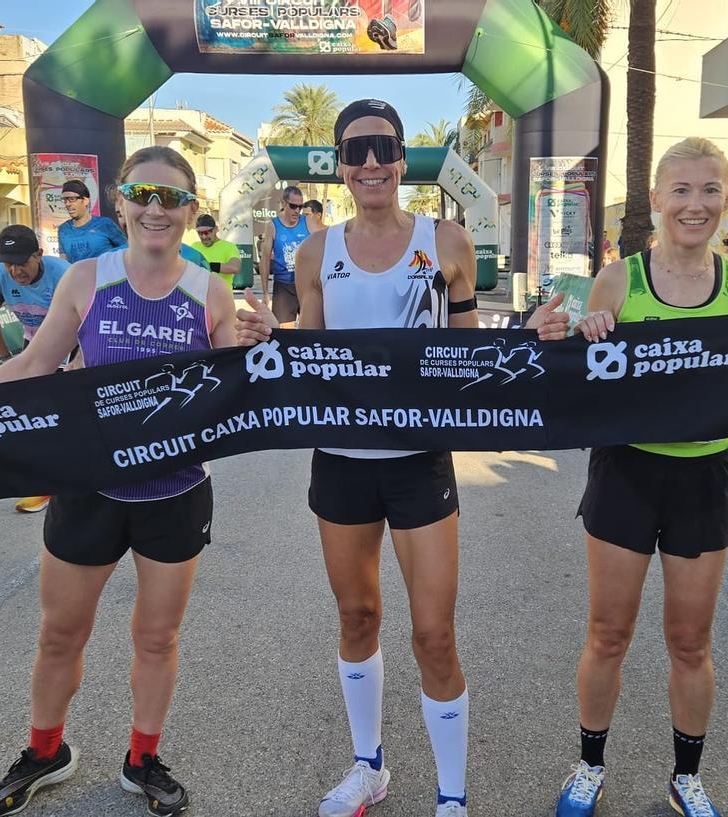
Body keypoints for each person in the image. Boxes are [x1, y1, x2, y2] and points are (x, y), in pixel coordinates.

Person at [0, 146, 236, 816]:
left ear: (192, 209)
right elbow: (34, 363)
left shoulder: (210, 292)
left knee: (157, 637)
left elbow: (237, 391)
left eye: (171, 198)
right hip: (89, 486)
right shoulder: (87, 278)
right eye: (143, 194)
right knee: (60, 633)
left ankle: (143, 758)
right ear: (120, 203)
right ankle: (46, 748)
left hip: (175, 492)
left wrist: (255, 343)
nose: (155, 209)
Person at [526, 137, 728, 817]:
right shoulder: (621, 278)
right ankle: (589, 766)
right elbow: (579, 355)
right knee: (608, 634)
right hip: (626, 470)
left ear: (726, 200)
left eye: (710, 191)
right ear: (656, 200)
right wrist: (581, 326)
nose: (695, 204)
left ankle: (687, 777)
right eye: (681, 190)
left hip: (705, 475)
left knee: (690, 641)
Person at [237, 98, 480, 817]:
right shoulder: (317, 252)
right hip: (340, 460)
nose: (370, 162)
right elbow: (307, 352)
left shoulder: (448, 241)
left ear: (404, 158)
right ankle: (369, 767)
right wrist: (267, 336)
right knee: (357, 616)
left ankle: (452, 796)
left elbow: (469, 355)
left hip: (419, 459)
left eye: (383, 147)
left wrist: (536, 338)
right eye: (355, 151)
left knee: (434, 633)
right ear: (339, 166)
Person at [0, 225, 71, 515]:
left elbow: (86, 321)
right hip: (35, 348)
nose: (15, 271)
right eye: (9, 264)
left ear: (38, 255)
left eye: (21, 263)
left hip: (74, 347)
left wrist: (77, 362)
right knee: (36, 417)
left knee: (64, 419)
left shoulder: (64, 275)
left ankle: (66, 480)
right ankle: (45, 485)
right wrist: (5, 356)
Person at [259, 185, 309, 327]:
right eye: (293, 206)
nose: (297, 211)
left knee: (313, 330)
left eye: (301, 207)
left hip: (306, 285)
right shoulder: (273, 226)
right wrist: (265, 293)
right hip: (284, 286)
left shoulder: (307, 222)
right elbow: (265, 259)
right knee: (285, 332)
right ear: (283, 204)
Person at [57, 179, 128, 263]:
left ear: (86, 200)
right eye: (65, 200)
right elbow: (63, 262)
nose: (67, 204)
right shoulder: (63, 229)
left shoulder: (104, 224)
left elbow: (126, 248)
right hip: (77, 275)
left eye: (72, 199)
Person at [187, 214, 240, 289]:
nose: (204, 237)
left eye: (207, 232)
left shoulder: (229, 247)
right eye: (200, 233)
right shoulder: (195, 246)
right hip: (199, 296)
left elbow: (235, 268)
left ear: (216, 229)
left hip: (221, 296)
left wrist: (208, 266)